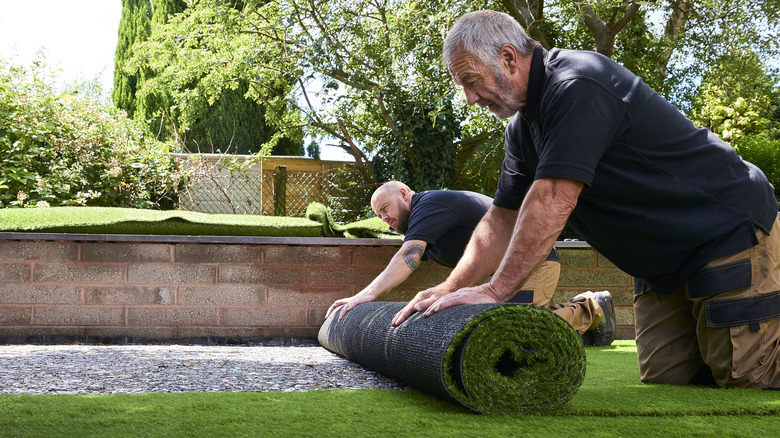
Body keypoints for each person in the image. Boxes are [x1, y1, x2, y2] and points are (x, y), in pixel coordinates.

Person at [392, 10, 780, 389]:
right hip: (663, 266)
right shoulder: (522, 130)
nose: (470, 99)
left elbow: (553, 198)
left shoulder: (578, 84)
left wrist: (495, 291)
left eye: (471, 81)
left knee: (747, 375)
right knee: (669, 376)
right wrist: (451, 288)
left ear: (508, 58)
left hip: (726, 231)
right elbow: (500, 219)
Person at [326, 181, 616, 345]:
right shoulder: (427, 225)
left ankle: (590, 308)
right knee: (501, 332)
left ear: (403, 194)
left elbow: (407, 258)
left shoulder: (428, 205)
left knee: (521, 331)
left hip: (533, 262)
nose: (384, 218)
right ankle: (582, 322)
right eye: (379, 216)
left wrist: (365, 295)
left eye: (385, 209)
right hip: (502, 277)